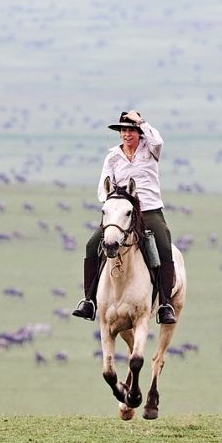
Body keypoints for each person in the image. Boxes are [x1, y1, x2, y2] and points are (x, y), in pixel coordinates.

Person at [73, 110, 177, 324]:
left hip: (148, 210)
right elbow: (103, 187)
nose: (126, 134)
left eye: (131, 130)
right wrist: (114, 200)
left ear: (139, 132)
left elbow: (158, 140)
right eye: (123, 130)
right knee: (92, 245)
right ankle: (89, 301)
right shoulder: (112, 157)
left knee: (164, 245)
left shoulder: (150, 150)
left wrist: (141, 121)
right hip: (120, 213)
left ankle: (165, 304)